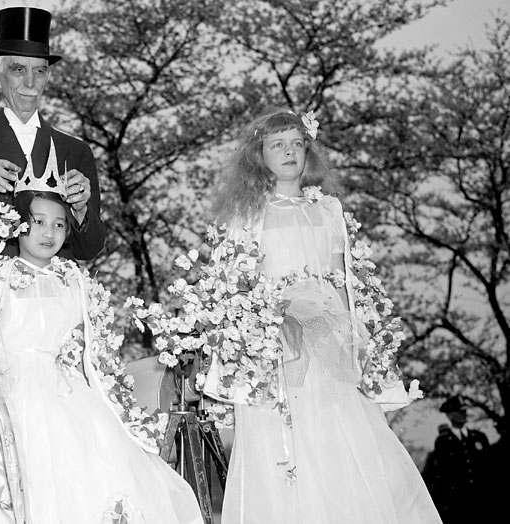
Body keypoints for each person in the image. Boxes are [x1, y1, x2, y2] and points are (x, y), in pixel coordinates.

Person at [206, 108, 441, 524]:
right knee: (283, 444)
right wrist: (276, 320)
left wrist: (355, 345)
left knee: (342, 437)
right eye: (278, 145)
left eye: (297, 143)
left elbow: (341, 282)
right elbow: (239, 285)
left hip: (330, 341)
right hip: (275, 344)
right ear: (258, 154)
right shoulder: (247, 215)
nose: (289, 152)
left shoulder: (329, 209)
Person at [0, 180, 203, 523]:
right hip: (10, 387)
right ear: (18, 224)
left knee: (89, 465)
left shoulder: (73, 279)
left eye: (59, 224)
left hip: (64, 389)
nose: (49, 232)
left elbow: (87, 347)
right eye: (38, 222)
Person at [0, 6, 106, 262]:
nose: (30, 83)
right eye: (18, 69)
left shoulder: (76, 151)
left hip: (55, 295)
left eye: (39, 71)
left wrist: (81, 209)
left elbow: (89, 250)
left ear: (48, 77)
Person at [422, 396, 491, 524]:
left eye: (464, 411)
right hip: (457, 503)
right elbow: (442, 473)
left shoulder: (479, 437)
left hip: (482, 500)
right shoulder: (443, 442)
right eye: (459, 412)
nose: (464, 414)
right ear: (450, 416)